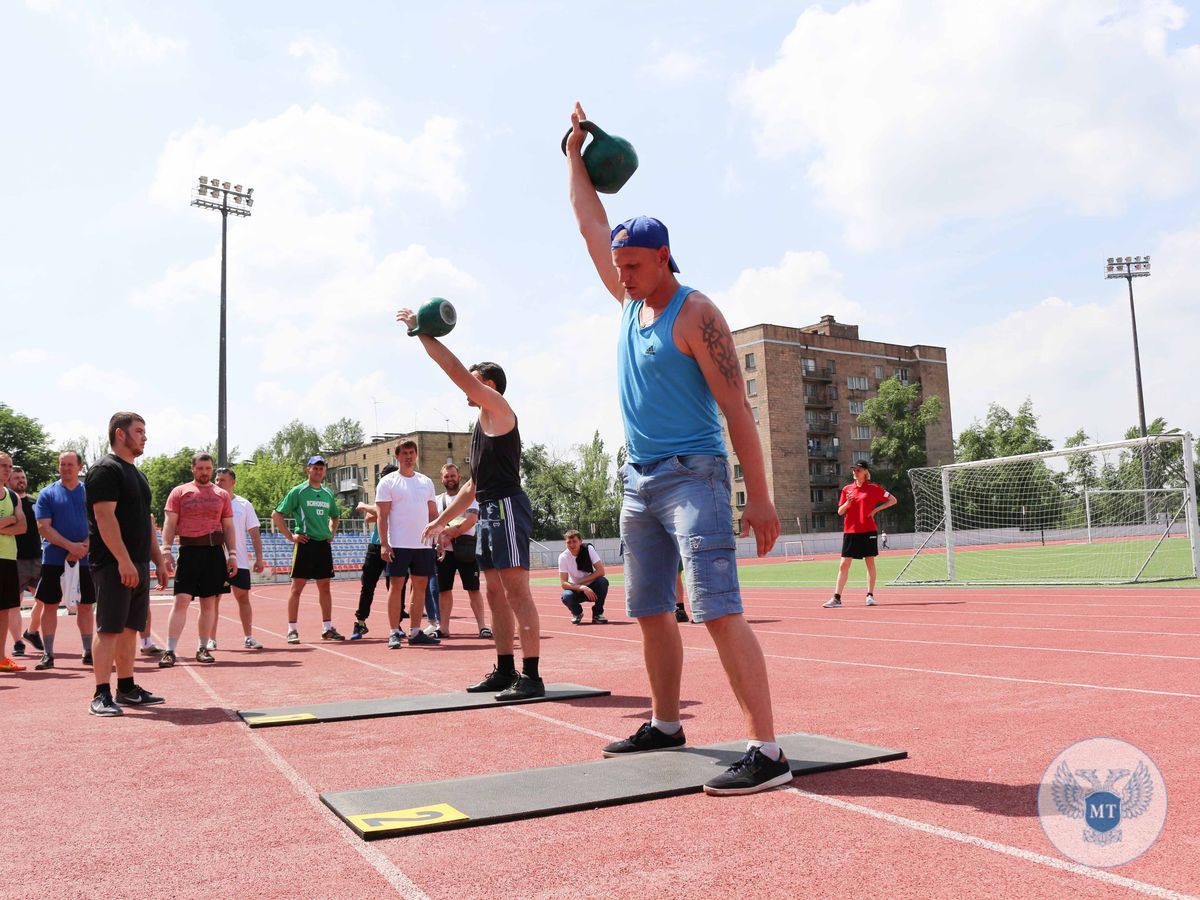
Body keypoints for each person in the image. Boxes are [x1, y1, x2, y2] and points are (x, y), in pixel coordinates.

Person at [567, 101, 789, 795]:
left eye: (633, 266)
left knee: (717, 606)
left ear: (662, 257)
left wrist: (759, 499)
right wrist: (575, 154)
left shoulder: (698, 314)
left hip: (696, 478)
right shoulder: (632, 300)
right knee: (650, 611)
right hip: (639, 482)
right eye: (618, 267)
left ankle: (768, 750)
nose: (622, 277)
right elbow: (588, 222)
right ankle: (666, 723)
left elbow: (738, 411)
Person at [399, 309, 544, 701]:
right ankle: (505, 669)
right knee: (494, 594)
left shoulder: (498, 408)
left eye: (474, 383)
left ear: (490, 385)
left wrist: (421, 332)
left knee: (517, 594)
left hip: (509, 508)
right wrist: (441, 522)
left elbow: (454, 370)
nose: (465, 389)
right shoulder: (480, 425)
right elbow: (472, 487)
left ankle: (531, 676)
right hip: (489, 512)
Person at [85, 412, 171, 715]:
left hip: (136, 563)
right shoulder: (105, 470)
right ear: (120, 434)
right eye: (139, 431)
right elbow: (104, 517)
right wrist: (122, 560)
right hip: (113, 564)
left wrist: (157, 561)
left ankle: (126, 687)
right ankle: (100, 693)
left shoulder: (138, 474)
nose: (145, 437)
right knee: (108, 628)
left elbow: (146, 523)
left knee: (130, 629)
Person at [158, 454, 237, 666]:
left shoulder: (221, 495)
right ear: (193, 468)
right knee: (181, 600)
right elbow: (169, 523)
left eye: (208, 468)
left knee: (209, 602)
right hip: (189, 551)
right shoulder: (180, 491)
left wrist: (233, 554)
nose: (204, 472)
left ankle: (203, 648)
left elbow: (229, 527)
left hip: (213, 552)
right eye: (200, 468)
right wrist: (165, 550)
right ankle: (170, 650)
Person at [29, 451, 96, 670]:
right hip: (54, 559)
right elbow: (43, 527)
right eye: (62, 464)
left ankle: (87, 651)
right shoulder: (47, 493)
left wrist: (83, 547)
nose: (65, 468)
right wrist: (71, 547)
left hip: (85, 559)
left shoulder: (90, 493)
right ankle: (48, 654)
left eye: (70, 464)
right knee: (50, 605)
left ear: (80, 467)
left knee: (86, 606)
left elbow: (98, 524)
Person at [272, 456, 345, 643]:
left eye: (321, 468)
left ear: (325, 472)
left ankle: (327, 628)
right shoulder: (298, 491)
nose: (318, 471)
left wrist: (331, 531)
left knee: (325, 588)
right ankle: (292, 630)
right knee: (296, 588)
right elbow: (277, 514)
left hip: (323, 546)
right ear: (308, 470)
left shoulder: (328, 494)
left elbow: (335, 516)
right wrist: (291, 536)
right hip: (305, 544)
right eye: (315, 468)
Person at [376, 440, 439, 649]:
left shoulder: (426, 482)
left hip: (423, 544)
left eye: (412, 453)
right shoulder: (388, 482)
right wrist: (384, 544)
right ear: (397, 456)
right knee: (396, 587)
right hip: (399, 544)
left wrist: (438, 537)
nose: (409, 456)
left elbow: (433, 514)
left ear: (416, 455)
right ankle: (394, 631)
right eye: (404, 453)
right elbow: (381, 516)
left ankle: (415, 631)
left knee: (420, 587)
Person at [824, 461, 897, 609]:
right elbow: (840, 512)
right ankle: (837, 598)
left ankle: (870, 595)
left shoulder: (874, 488)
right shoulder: (847, 489)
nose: (855, 472)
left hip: (868, 530)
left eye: (858, 470)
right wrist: (848, 503)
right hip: (850, 531)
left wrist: (876, 510)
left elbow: (893, 500)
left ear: (865, 471)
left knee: (869, 562)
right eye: (853, 470)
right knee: (844, 565)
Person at [434, 463, 489, 638]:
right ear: (442, 479)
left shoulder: (469, 497)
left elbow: (471, 520)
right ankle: (443, 627)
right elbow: (435, 524)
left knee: (473, 589)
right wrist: (441, 541)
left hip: (467, 549)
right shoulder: (436, 501)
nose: (450, 479)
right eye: (446, 476)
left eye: (453, 475)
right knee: (444, 590)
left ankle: (482, 626)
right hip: (444, 552)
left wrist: (450, 534)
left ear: (459, 477)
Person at [213, 467, 265, 649]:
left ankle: (248, 637)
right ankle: (210, 639)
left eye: (222, 480)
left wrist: (259, 558)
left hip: (240, 560)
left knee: (243, 598)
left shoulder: (244, 504)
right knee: (212, 599)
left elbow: (254, 532)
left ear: (233, 482)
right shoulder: (210, 502)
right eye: (217, 479)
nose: (218, 483)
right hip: (215, 559)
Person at [351, 463, 397, 640]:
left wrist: (363, 504)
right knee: (368, 585)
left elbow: (375, 511)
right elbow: (371, 517)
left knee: (394, 586)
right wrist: (376, 511)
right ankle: (360, 622)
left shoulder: (401, 493)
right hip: (376, 545)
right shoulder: (382, 493)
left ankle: (397, 624)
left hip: (395, 545)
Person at [0, 452, 29, 672]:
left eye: (9, 466)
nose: (7, 470)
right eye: (3, 465)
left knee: (4, 610)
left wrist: (6, 521)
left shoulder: (13, 496)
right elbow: (16, 524)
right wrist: (11, 520)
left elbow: (23, 527)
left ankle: (1, 657)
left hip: (9, 558)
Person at [8, 467, 40, 657]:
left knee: (46, 599)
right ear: (9, 480)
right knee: (14, 604)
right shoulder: (8, 501)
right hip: (15, 559)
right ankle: (18, 642)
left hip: (37, 558)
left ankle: (32, 631)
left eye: (23, 477)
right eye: (16, 477)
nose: (20, 480)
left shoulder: (36, 503)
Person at [558, 530, 609, 625]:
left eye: (574, 541)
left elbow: (601, 571)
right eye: (568, 542)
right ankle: (577, 613)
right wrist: (581, 587)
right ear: (565, 543)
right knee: (566, 596)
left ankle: (597, 614)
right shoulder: (563, 557)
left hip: (593, 588)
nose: (572, 545)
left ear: (580, 541)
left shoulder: (588, 549)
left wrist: (583, 581)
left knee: (602, 581)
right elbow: (563, 583)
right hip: (577, 589)